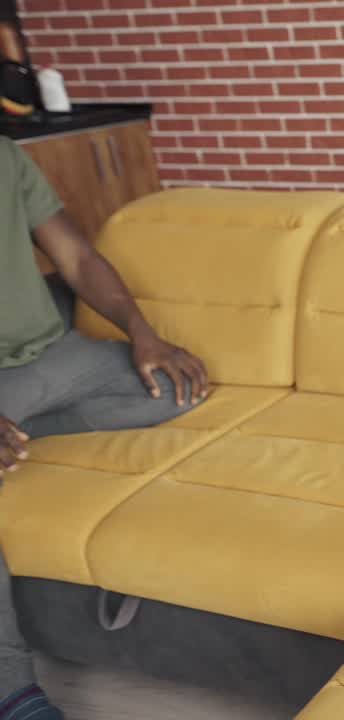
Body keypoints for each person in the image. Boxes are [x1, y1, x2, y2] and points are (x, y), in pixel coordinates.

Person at [0, 136, 210, 719]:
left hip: (50, 357)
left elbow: (76, 258)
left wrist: (141, 331)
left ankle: (18, 426)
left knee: (176, 385)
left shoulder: (6, 156)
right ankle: (11, 693)